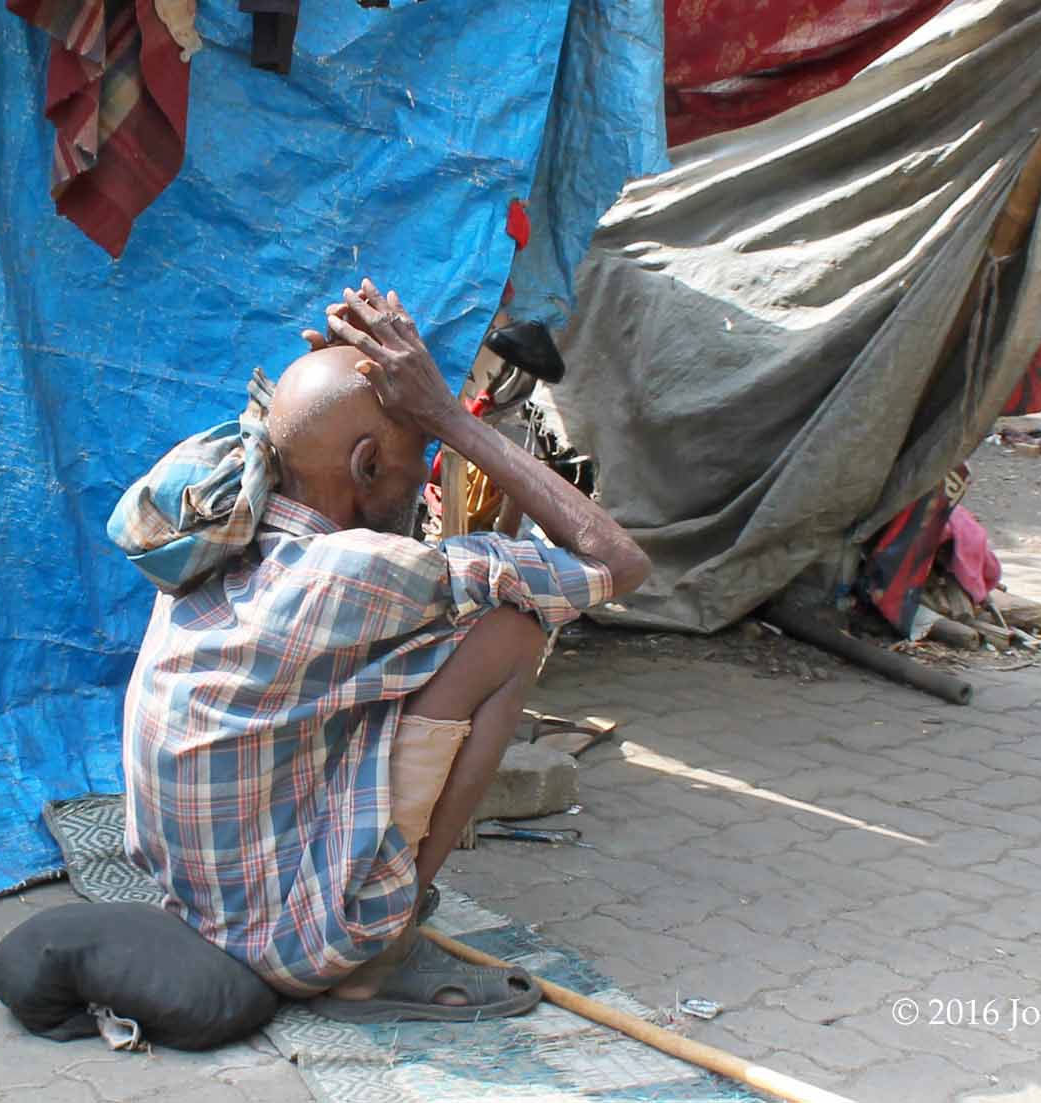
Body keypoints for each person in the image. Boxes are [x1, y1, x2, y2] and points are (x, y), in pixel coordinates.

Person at [111, 280, 650, 1021]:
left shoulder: (224, 522)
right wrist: (450, 420)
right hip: (292, 945)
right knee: (511, 627)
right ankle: (374, 950)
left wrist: (340, 383)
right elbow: (618, 562)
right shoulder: (352, 571)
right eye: (417, 457)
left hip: (193, 902)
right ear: (366, 467)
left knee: (422, 649)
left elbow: (300, 426)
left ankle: (350, 900)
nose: (425, 477)